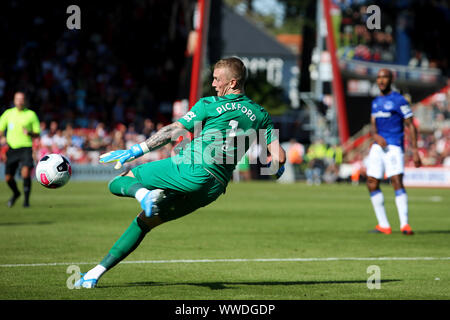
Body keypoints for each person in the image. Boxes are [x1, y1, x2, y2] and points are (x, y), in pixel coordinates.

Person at [75, 57, 286, 288]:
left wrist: (137, 150)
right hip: (212, 189)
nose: (214, 84)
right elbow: (279, 157)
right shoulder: (261, 114)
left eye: (217, 79)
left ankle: (143, 194)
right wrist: (277, 166)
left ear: (233, 82)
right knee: (145, 222)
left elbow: (174, 130)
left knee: (118, 182)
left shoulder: (210, 104)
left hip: (192, 166)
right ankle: (94, 274)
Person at [366, 69, 421, 235]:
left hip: (394, 146)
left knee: (396, 180)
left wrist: (415, 150)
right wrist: (375, 135)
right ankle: (383, 225)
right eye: (379, 77)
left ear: (391, 79)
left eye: (384, 77)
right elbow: (373, 126)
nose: (381, 80)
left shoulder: (399, 100)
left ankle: (405, 225)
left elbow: (410, 125)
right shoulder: (375, 102)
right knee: (371, 182)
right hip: (378, 145)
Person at [0, 91, 41, 208]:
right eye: (17, 99)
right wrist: (2, 137)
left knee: (26, 173)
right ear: (14, 100)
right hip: (12, 148)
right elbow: (1, 129)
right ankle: (16, 193)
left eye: (22, 99)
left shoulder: (31, 115)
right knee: (8, 178)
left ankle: (26, 202)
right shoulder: (8, 114)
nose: (20, 101)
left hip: (26, 147)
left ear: (25, 100)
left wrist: (29, 133)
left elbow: (37, 134)